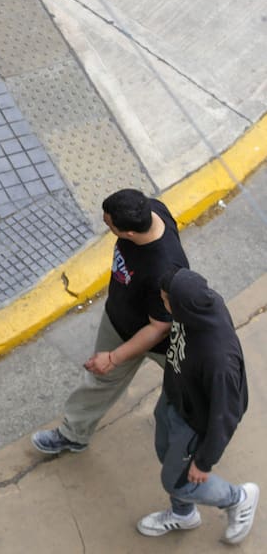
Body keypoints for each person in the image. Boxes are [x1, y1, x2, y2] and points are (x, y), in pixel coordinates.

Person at [32, 189, 189, 454]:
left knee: (191, 388)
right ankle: (73, 434)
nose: (106, 226)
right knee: (99, 380)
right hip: (119, 319)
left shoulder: (163, 269)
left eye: (109, 225)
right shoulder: (150, 209)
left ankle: (200, 431)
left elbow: (160, 328)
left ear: (129, 234)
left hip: (166, 342)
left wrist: (114, 357)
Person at [136, 268, 257, 544]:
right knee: (165, 452)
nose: (163, 303)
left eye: (166, 300)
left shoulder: (219, 362)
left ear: (179, 305)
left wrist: (203, 461)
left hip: (194, 423)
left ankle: (238, 498)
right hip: (176, 399)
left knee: (178, 480)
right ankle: (184, 513)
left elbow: (227, 415)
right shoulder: (197, 306)